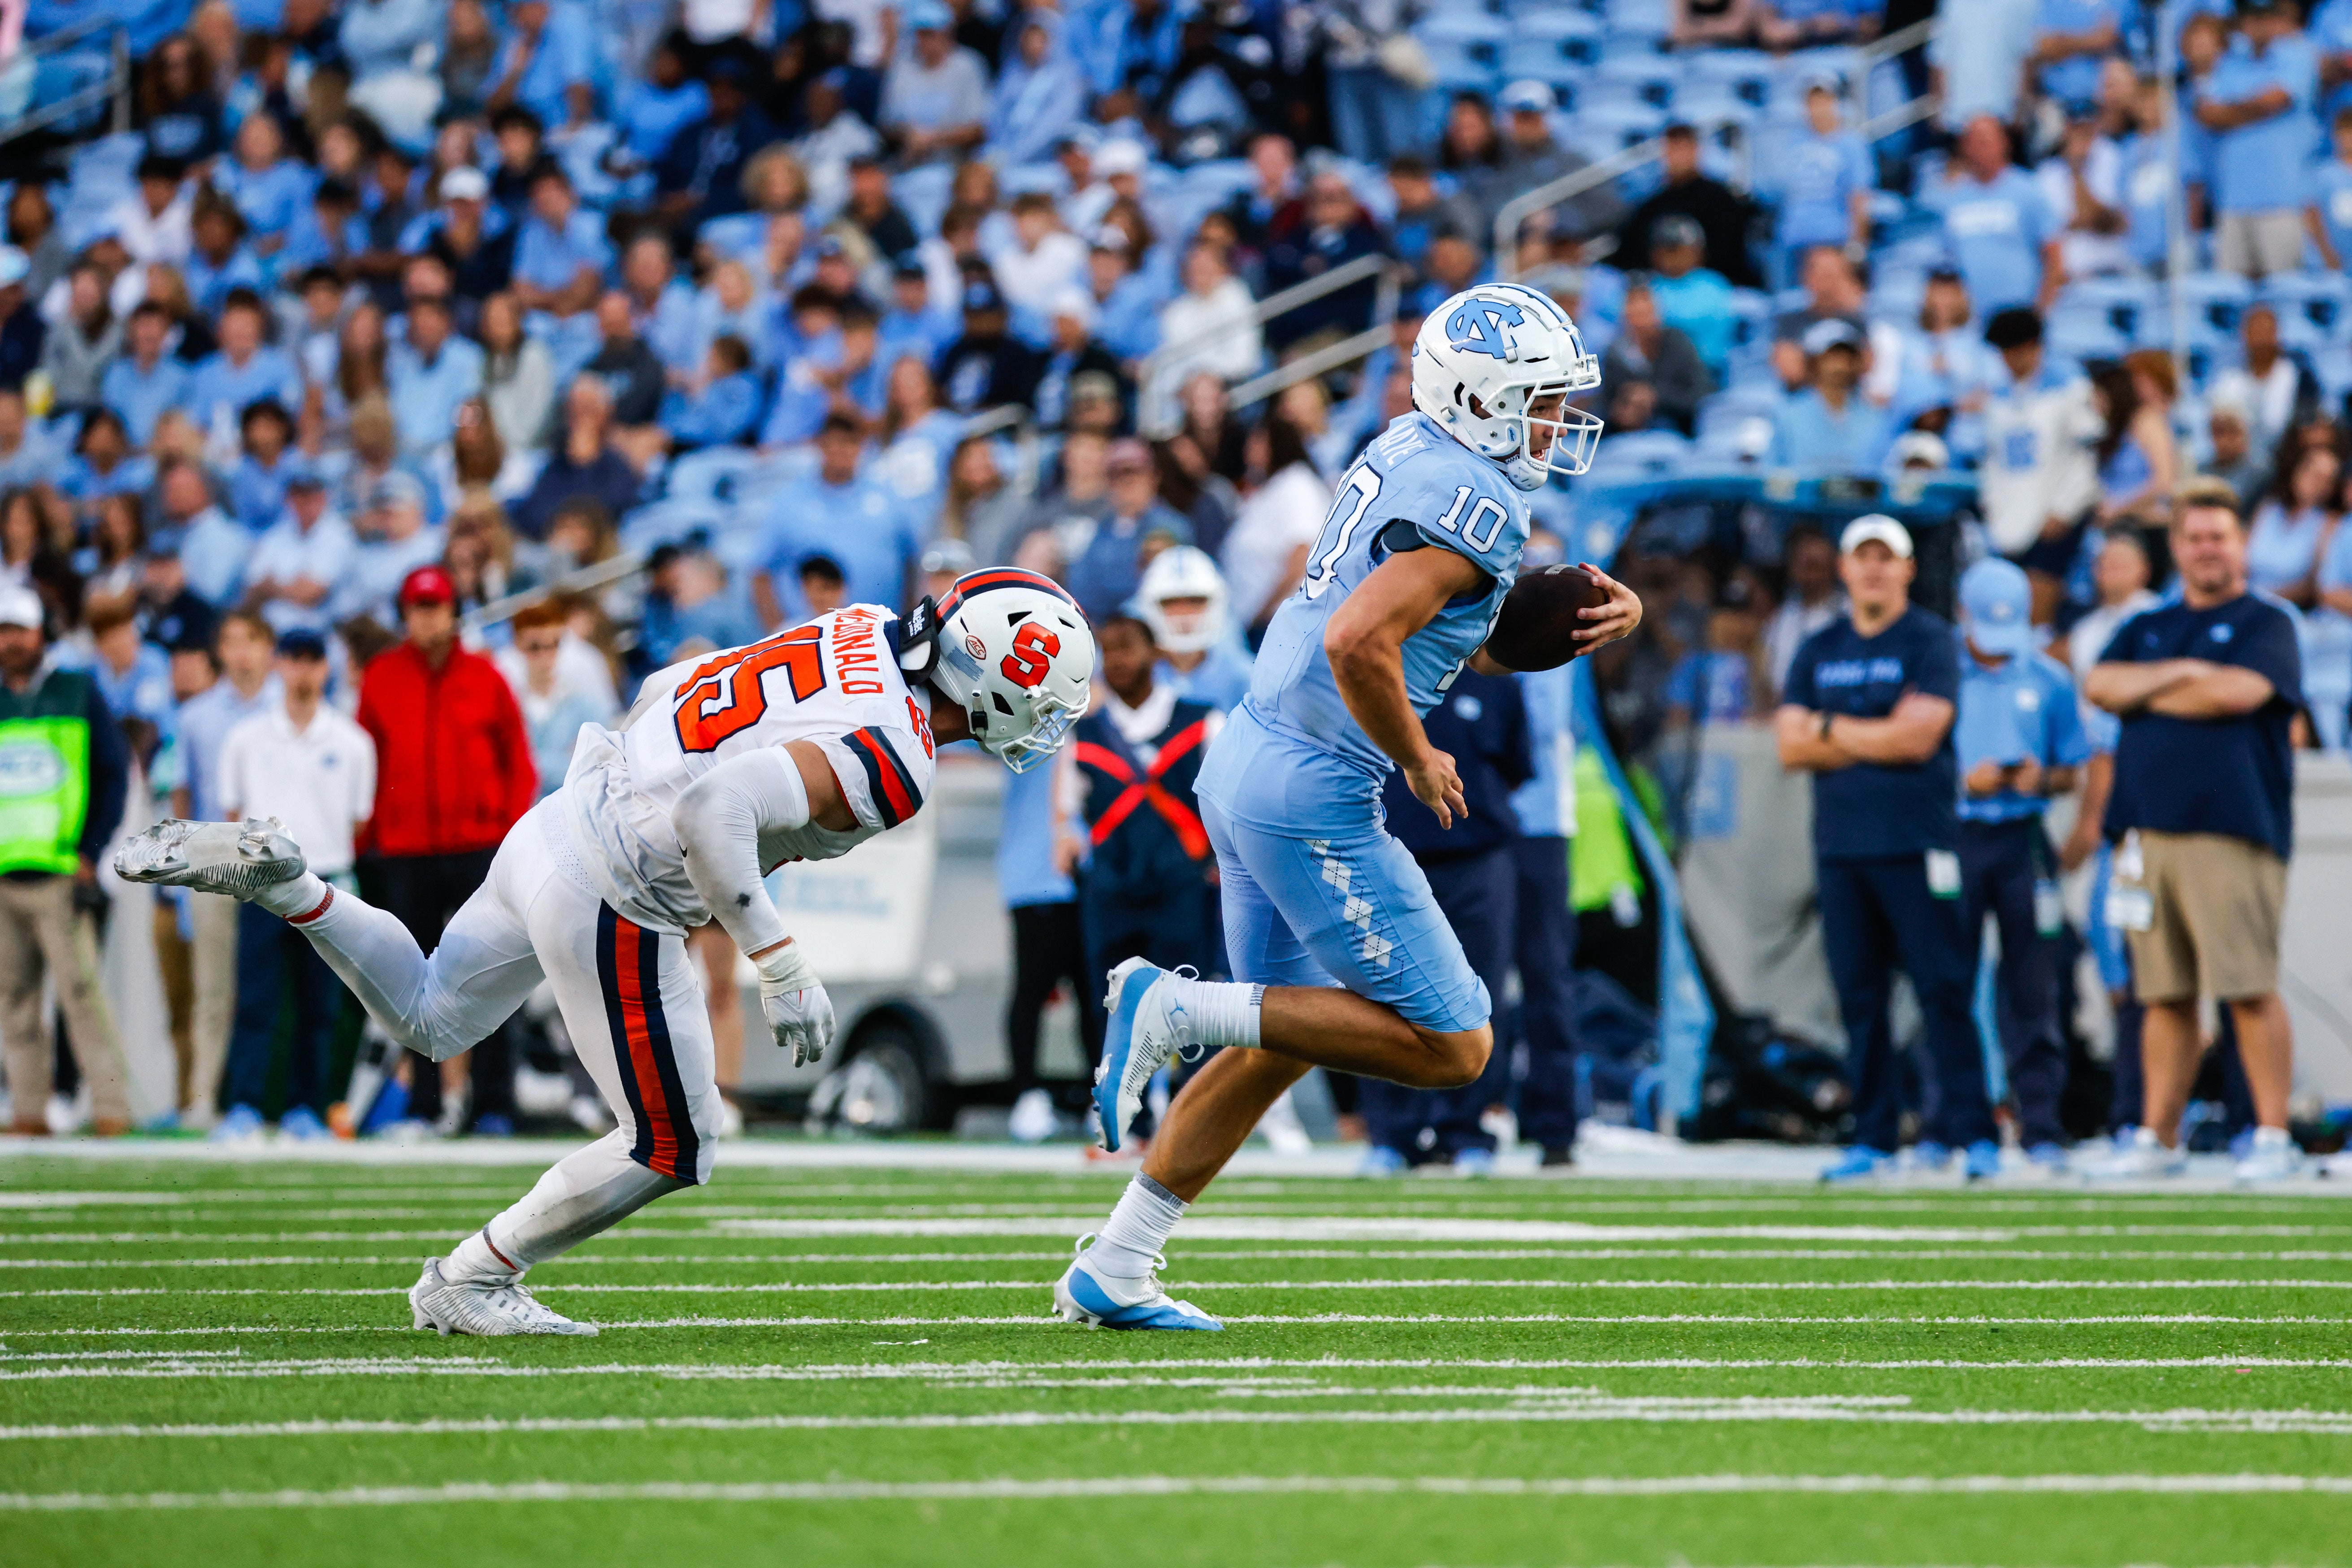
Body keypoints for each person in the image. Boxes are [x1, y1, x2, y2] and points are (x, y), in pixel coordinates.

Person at [121, 568, 1097, 1333]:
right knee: (676, 1139)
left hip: (564, 814)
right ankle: (473, 1276)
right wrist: (778, 956)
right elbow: (715, 809)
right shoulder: (898, 758)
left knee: (430, 1014)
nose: (1044, 718)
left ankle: (293, 886)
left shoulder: (862, 624)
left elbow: (677, 683)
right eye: (1042, 694)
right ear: (989, 673)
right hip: (616, 887)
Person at [1050, 283, 1637, 1331]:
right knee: (1454, 1043)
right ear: (1483, 397)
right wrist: (1416, 756)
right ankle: (1174, 1004)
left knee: (1282, 1034)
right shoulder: (1481, 502)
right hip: (1315, 791)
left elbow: (1442, 625)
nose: (1557, 421)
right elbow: (1358, 640)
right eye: (1541, 399)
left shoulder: (1411, 445)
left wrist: (1581, 612)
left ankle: (1117, 1261)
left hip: (1247, 763)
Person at [2084, 479, 2306, 1182]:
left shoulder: (2265, 622)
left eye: (2218, 536)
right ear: (2174, 548)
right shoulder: (2150, 627)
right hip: (2146, 833)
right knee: (2162, 995)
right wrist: (2182, 672)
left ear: (2240, 543)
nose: (2206, 549)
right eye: (2193, 538)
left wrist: (2150, 688)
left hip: (2229, 831)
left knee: (2245, 986)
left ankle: (2270, 1133)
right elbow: (2099, 684)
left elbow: (2238, 693)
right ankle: (2158, 1134)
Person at [1776, 515, 1995, 1182]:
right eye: (1861, 557)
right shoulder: (1818, 647)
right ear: (1843, 569)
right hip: (1842, 850)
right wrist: (1878, 728)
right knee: (1859, 999)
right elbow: (1789, 745)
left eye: (1886, 558)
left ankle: (1969, 1133)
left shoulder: (1930, 640)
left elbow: (1919, 740)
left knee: (1943, 990)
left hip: (1918, 843)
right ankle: (1874, 1135)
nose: (1873, 569)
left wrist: (1830, 729)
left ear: (1906, 569)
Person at [354, 566, 539, 1140]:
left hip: (478, 847)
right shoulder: (381, 678)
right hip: (406, 849)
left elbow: (519, 764)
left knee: (490, 976)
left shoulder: (487, 677)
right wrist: (371, 839)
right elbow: (369, 763)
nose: (426, 617)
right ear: (405, 613)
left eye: (435, 606)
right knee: (411, 984)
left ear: (453, 611)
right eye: (417, 607)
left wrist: (506, 834)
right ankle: (425, 1107)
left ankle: (494, 1105)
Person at [1063, 613, 1231, 1128]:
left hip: (1181, 884)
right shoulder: (1084, 733)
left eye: (1127, 646)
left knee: (1190, 1002)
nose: (1116, 660)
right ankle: (1121, 1115)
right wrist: (1069, 845)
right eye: (1106, 649)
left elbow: (1223, 801)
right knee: (1107, 1003)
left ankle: (1194, 1116)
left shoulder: (1201, 720)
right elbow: (1066, 816)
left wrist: (1223, 860)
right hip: (1111, 887)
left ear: (1155, 651)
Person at [1361, 667, 1528, 1176]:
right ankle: (1392, 1133)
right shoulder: (1378, 672)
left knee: (1480, 992)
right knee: (1383, 992)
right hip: (1388, 854)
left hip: (1477, 857)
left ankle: (1467, 1130)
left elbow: (1517, 767)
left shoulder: (1497, 682)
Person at [212, 626, 377, 1144]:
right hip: (261, 879)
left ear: (324, 668)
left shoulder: (352, 742)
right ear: (278, 664)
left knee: (318, 1004)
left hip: (325, 878)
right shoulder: (246, 738)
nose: (304, 670)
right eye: (295, 659)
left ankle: (309, 1106)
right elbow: (233, 813)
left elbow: (357, 822)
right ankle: (243, 1106)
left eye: (313, 660)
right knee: (256, 999)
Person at [1953, 559, 2089, 1170]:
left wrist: (2043, 778)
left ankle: (2040, 1125)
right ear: (1964, 617)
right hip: (1957, 834)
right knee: (1947, 984)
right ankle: (1955, 1122)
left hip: (2024, 838)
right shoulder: (1940, 673)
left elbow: (2071, 766)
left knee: (2034, 986)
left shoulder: (2052, 679)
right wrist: (1963, 780)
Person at [0, 582, 133, 1137]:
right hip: (5, 869)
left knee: (81, 996)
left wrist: (91, 850)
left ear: (41, 633)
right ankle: (29, 1108)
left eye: (20, 630)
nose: (11, 641)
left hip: (60, 868)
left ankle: (111, 1107)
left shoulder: (77, 689)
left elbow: (113, 771)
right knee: (13, 999)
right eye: (4, 631)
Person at [1979, 306, 2102, 624]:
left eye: (2017, 350)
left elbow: (2087, 456)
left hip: (2056, 516)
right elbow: (1994, 462)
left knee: (2038, 607)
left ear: (2035, 347)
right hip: (2012, 520)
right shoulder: (1998, 400)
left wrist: (2065, 508)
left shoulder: (2069, 388)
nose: (2011, 360)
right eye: (2005, 352)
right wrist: (1995, 510)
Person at [2197, 0, 2321, 278]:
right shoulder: (2229, 62)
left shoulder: (2298, 55)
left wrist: (2233, 112)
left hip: (2283, 199)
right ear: (2242, 22)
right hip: (2232, 202)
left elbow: (2276, 100)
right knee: (2228, 299)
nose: (2260, 25)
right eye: (2253, 17)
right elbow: (2208, 114)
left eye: (2266, 17)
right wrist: (2254, 108)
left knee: (2285, 295)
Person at [1135, 544, 1253, 712]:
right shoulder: (1132, 675)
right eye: (1171, 603)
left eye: (1195, 601)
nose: (1184, 614)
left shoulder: (1244, 678)